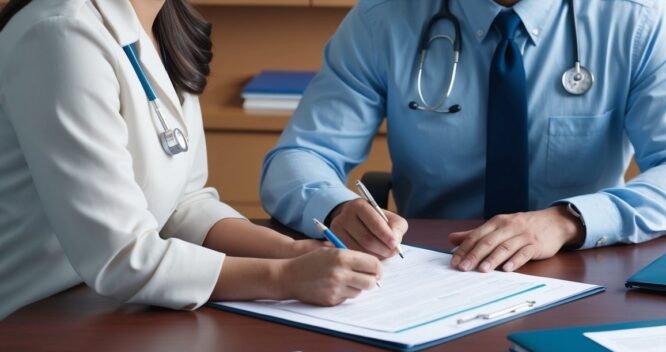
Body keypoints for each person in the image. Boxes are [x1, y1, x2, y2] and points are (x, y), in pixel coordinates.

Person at [260, 0, 666, 273]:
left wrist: (568, 220)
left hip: (581, 268)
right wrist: (338, 207)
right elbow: (298, 157)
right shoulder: (384, 18)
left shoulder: (636, 18)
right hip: (434, 269)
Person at [0, 0, 382, 320]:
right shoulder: (60, 34)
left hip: (106, 309)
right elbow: (120, 258)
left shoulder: (162, 26)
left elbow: (183, 203)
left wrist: (293, 251)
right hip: (32, 321)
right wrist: (284, 278)